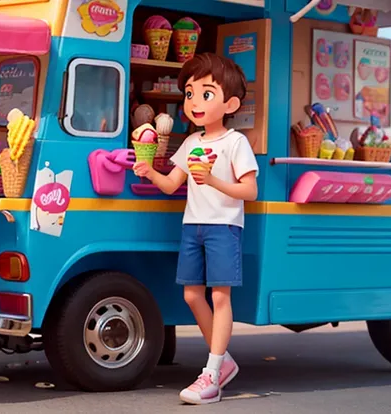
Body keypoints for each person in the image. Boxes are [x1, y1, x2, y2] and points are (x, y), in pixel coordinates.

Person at [133, 53, 259, 405]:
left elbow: (250, 191)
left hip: (224, 227)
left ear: (230, 103)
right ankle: (224, 362)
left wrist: (213, 181)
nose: (194, 102)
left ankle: (213, 373)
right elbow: (172, 184)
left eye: (206, 94)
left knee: (220, 297)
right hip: (193, 226)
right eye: (189, 94)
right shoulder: (191, 143)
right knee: (191, 295)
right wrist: (149, 172)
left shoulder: (236, 142)